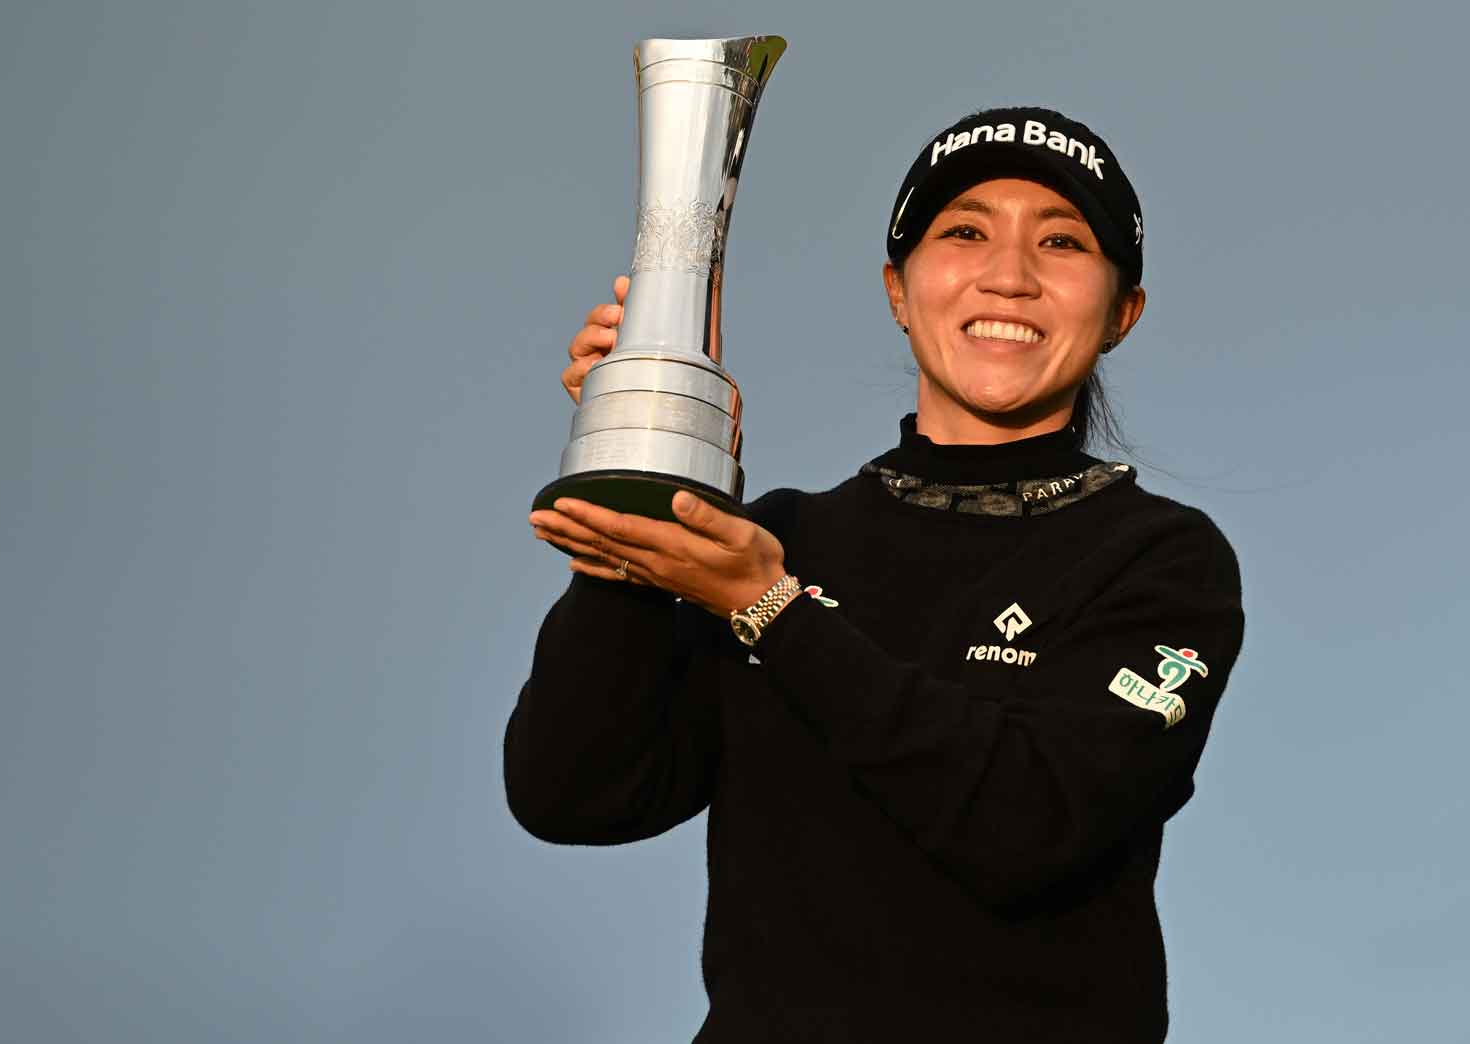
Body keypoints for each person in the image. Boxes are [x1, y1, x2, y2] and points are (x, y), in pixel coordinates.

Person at [507, 106, 1244, 1043]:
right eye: (965, 231)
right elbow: (573, 796)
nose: (1009, 275)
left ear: (1121, 312)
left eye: (1062, 242)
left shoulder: (1161, 560)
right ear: (899, 289)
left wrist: (771, 612)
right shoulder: (778, 537)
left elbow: (1031, 828)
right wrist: (651, 476)